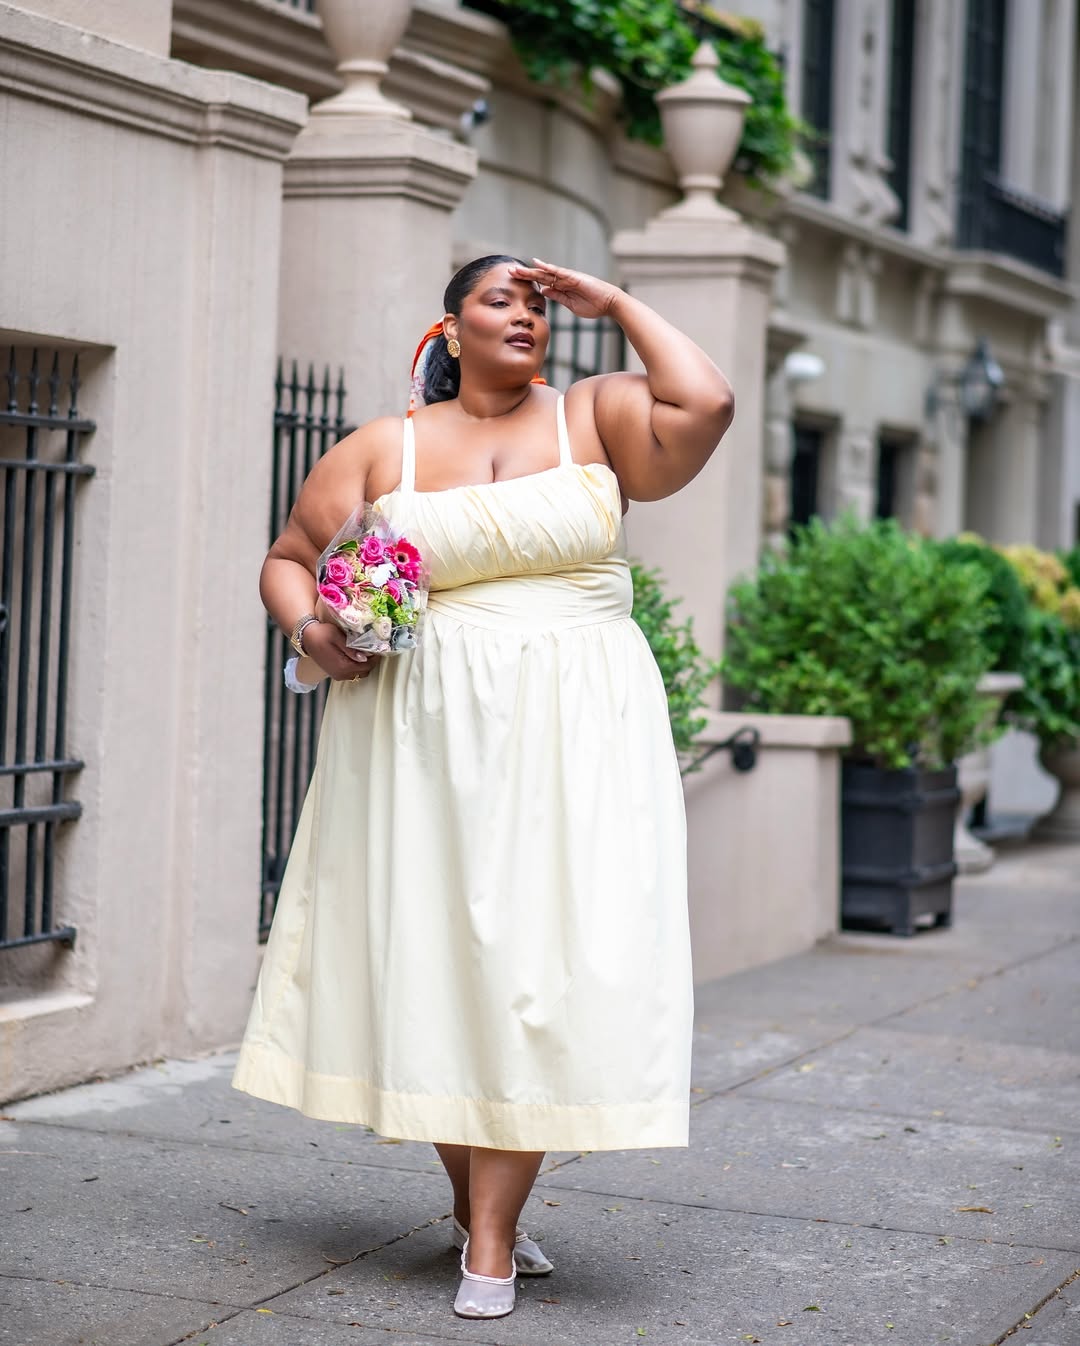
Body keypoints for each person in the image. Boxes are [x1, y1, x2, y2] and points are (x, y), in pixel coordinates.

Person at [233, 255, 734, 1320]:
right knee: (447, 965)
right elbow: (288, 557)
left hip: (577, 730)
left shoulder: (596, 415)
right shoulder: (383, 446)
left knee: (539, 965)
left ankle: (492, 1244)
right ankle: (480, 1212)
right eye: (501, 300)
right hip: (419, 732)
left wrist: (617, 304)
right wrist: (313, 624)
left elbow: (709, 398)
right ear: (449, 329)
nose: (527, 316)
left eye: (540, 305)